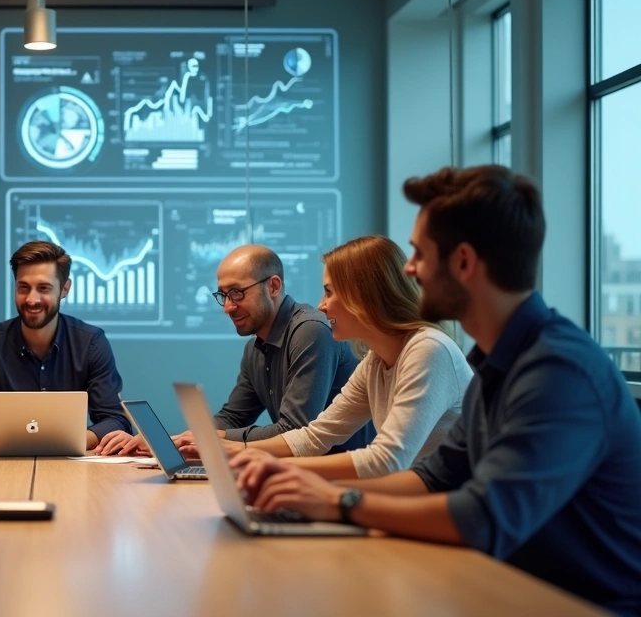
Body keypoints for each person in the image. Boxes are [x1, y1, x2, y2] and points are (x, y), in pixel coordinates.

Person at [233, 166, 641, 613]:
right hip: (503, 584)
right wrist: (307, 490)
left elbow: (482, 516)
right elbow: (436, 478)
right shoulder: (494, 361)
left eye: (419, 254)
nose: (409, 269)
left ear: (463, 262)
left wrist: (339, 502)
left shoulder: (558, 371)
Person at [223, 235, 471, 480]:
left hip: (458, 513)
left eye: (329, 292)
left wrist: (274, 465)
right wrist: (241, 451)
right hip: (424, 501)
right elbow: (315, 437)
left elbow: (387, 460)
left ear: (363, 295)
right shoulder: (374, 363)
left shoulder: (428, 349)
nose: (321, 306)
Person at [97, 245, 372, 456]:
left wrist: (214, 440)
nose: (228, 306)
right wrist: (172, 441)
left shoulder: (311, 330)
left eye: (237, 293)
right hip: (304, 473)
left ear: (273, 286)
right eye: (223, 295)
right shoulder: (255, 347)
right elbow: (232, 417)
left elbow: (295, 430)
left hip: (338, 479)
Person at [0, 240, 131, 450]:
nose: (32, 299)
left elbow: (117, 421)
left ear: (64, 289)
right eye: (23, 287)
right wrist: (26, 443)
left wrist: (72, 441)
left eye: (44, 288)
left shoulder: (91, 343)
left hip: (71, 471)